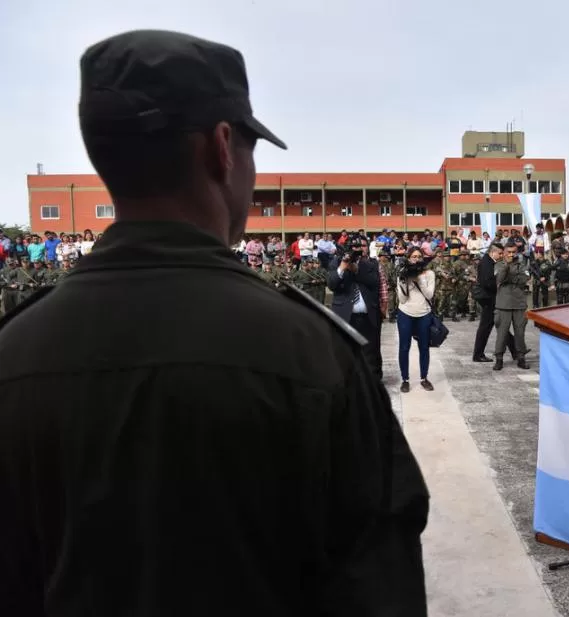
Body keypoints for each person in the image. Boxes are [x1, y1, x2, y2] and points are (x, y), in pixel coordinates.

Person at [0, 30, 429, 617]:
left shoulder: (14, 354)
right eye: (252, 148)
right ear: (222, 147)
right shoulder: (312, 354)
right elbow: (379, 588)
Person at [328, 236, 384, 379]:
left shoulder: (371, 264)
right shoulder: (336, 261)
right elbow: (332, 284)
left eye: (362, 246)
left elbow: (373, 282)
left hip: (367, 317)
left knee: (370, 352)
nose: (358, 249)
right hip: (345, 316)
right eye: (354, 247)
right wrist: (342, 267)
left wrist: (355, 269)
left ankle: (372, 384)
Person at [396, 248, 436, 392]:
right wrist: (405, 281)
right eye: (413, 257)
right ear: (408, 258)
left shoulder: (430, 273)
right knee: (404, 347)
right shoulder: (402, 273)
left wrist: (419, 279)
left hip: (424, 313)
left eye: (419, 256)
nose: (416, 259)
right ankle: (405, 379)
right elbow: (402, 299)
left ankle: (424, 378)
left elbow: (430, 295)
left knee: (424, 347)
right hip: (405, 312)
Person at [471, 242, 516, 362]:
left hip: (491, 298)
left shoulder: (491, 261)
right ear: (493, 252)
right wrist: (500, 284)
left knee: (500, 324)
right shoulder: (486, 263)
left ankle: (515, 350)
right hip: (488, 299)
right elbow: (487, 282)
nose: (502, 255)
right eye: (500, 253)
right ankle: (478, 354)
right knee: (487, 327)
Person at [493, 243, 530, 371]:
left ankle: (521, 358)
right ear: (503, 252)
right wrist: (508, 267)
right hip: (503, 304)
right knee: (502, 334)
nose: (511, 254)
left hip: (519, 303)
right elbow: (500, 279)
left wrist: (512, 277)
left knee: (520, 333)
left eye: (514, 252)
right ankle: (499, 359)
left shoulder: (522, 264)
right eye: (508, 252)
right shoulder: (499, 264)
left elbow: (524, 278)